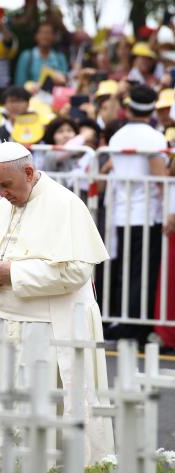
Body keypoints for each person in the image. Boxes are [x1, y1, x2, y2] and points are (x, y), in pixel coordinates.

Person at [0, 141, 114, 465]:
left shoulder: (65, 204)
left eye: (6, 185)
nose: (2, 194)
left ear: (29, 172)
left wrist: (13, 273)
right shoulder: (7, 204)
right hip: (10, 324)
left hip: (52, 326)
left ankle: (56, 468)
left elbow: (77, 270)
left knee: (54, 409)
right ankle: (3, 463)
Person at [107, 84, 168, 345]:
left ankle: (124, 323)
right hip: (147, 214)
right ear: (153, 108)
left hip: (122, 213)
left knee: (126, 271)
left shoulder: (116, 136)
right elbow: (160, 179)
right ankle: (136, 328)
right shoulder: (155, 138)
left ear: (130, 107)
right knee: (143, 273)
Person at [14, 22, 68, 87]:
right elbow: (20, 83)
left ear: (54, 37)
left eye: (48, 33)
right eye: (41, 33)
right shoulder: (26, 56)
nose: (45, 36)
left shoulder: (60, 57)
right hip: (31, 96)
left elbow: (65, 80)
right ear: (36, 36)